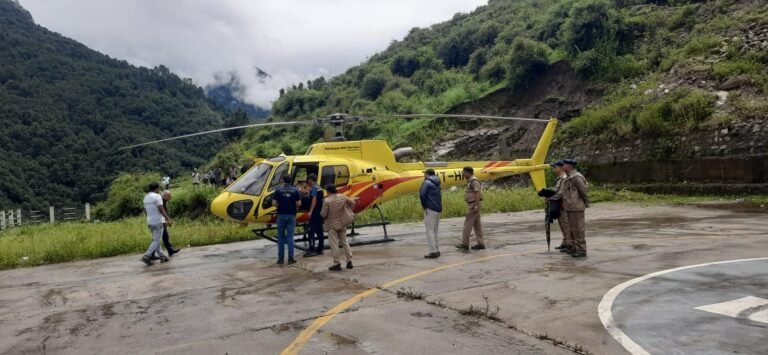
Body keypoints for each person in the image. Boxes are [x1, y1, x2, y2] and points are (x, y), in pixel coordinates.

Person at [321, 184, 355, 271]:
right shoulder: (342, 197)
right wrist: (348, 210)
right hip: (342, 223)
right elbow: (353, 202)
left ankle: (337, 263)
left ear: (328, 191)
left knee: (334, 244)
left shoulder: (327, 200)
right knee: (345, 241)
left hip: (332, 225)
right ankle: (349, 261)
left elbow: (323, 214)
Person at [561, 159, 590, 258]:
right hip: (569, 207)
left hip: (576, 206)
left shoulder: (577, 177)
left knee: (578, 229)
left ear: (569, 166)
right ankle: (575, 247)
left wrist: (586, 203)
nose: (562, 167)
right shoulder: (569, 177)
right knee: (572, 229)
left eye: (564, 165)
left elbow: (583, 191)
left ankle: (581, 249)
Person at [141, 182, 172, 266]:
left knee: (156, 239)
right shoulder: (157, 196)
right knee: (156, 240)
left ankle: (162, 256)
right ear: (157, 188)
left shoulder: (146, 197)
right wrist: (167, 219)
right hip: (157, 221)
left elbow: (146, 211)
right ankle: (147, 256)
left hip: (150, 222)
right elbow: (161, 209)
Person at [273, 174, 300, 265]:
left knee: (280, 237)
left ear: (283, 180)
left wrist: (280, 205)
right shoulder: (295, 190)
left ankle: (280, 259)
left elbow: (274, 203)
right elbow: (299, 203)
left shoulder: (278, 190)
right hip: (291, 215)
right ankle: (291, 258)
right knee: (290, 237)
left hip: (281, 215)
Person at [456, 167, 485, 250]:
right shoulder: (471, 181)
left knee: (467, 224)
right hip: (474, 204)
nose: (463, 174)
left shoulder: (474, 181)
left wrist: (476, 205)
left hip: (473, 205)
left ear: (469, 173)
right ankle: (480, 243)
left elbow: (477, 193)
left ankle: (465, 243)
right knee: (477, 225)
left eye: (464, 173)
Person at [549, 161, 571, 252]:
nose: (554, 169)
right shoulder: (559, 178)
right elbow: (557, 190)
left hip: (564, 205)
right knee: (562, 225)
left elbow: (561, 193)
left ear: (561, 168)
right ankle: (565, 242)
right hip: (559, 205)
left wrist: (551, 198)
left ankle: (569, 244)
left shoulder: (565, 178)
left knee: (566, 225)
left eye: (555, 167)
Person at [419, 169, 442, 259]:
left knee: (430, 230)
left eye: (424, 174)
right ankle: (437, 249)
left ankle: (432, 251)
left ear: (427, 174)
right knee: (435, 230)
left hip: (430, 208)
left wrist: (425, 206)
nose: (424, 176)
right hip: (438, 208)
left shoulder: (427, 182)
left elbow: (422, 195)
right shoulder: (437, 182)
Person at [304, 174, 324, 257]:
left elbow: (314, 200)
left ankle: (312, 249)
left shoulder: (314, 188)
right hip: (320, 213)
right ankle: (320, 249)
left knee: (311, 231)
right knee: (320, 231)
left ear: (311, 180)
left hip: (315, 213)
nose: (307, 182)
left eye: (308, 180)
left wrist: (310, 212)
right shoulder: (319, 187)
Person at [159, 190, 181, 257]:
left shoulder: (163, 201)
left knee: (164, 236)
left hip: (161, 220)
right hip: (160, 221)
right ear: (165, 195)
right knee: (161, 237)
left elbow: (164, 211)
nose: (170, 198)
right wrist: (167, 220)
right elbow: (161, 211)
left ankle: (170, 250)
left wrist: (167, 219)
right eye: (169, 197)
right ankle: (150, 254)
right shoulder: (161, 201)